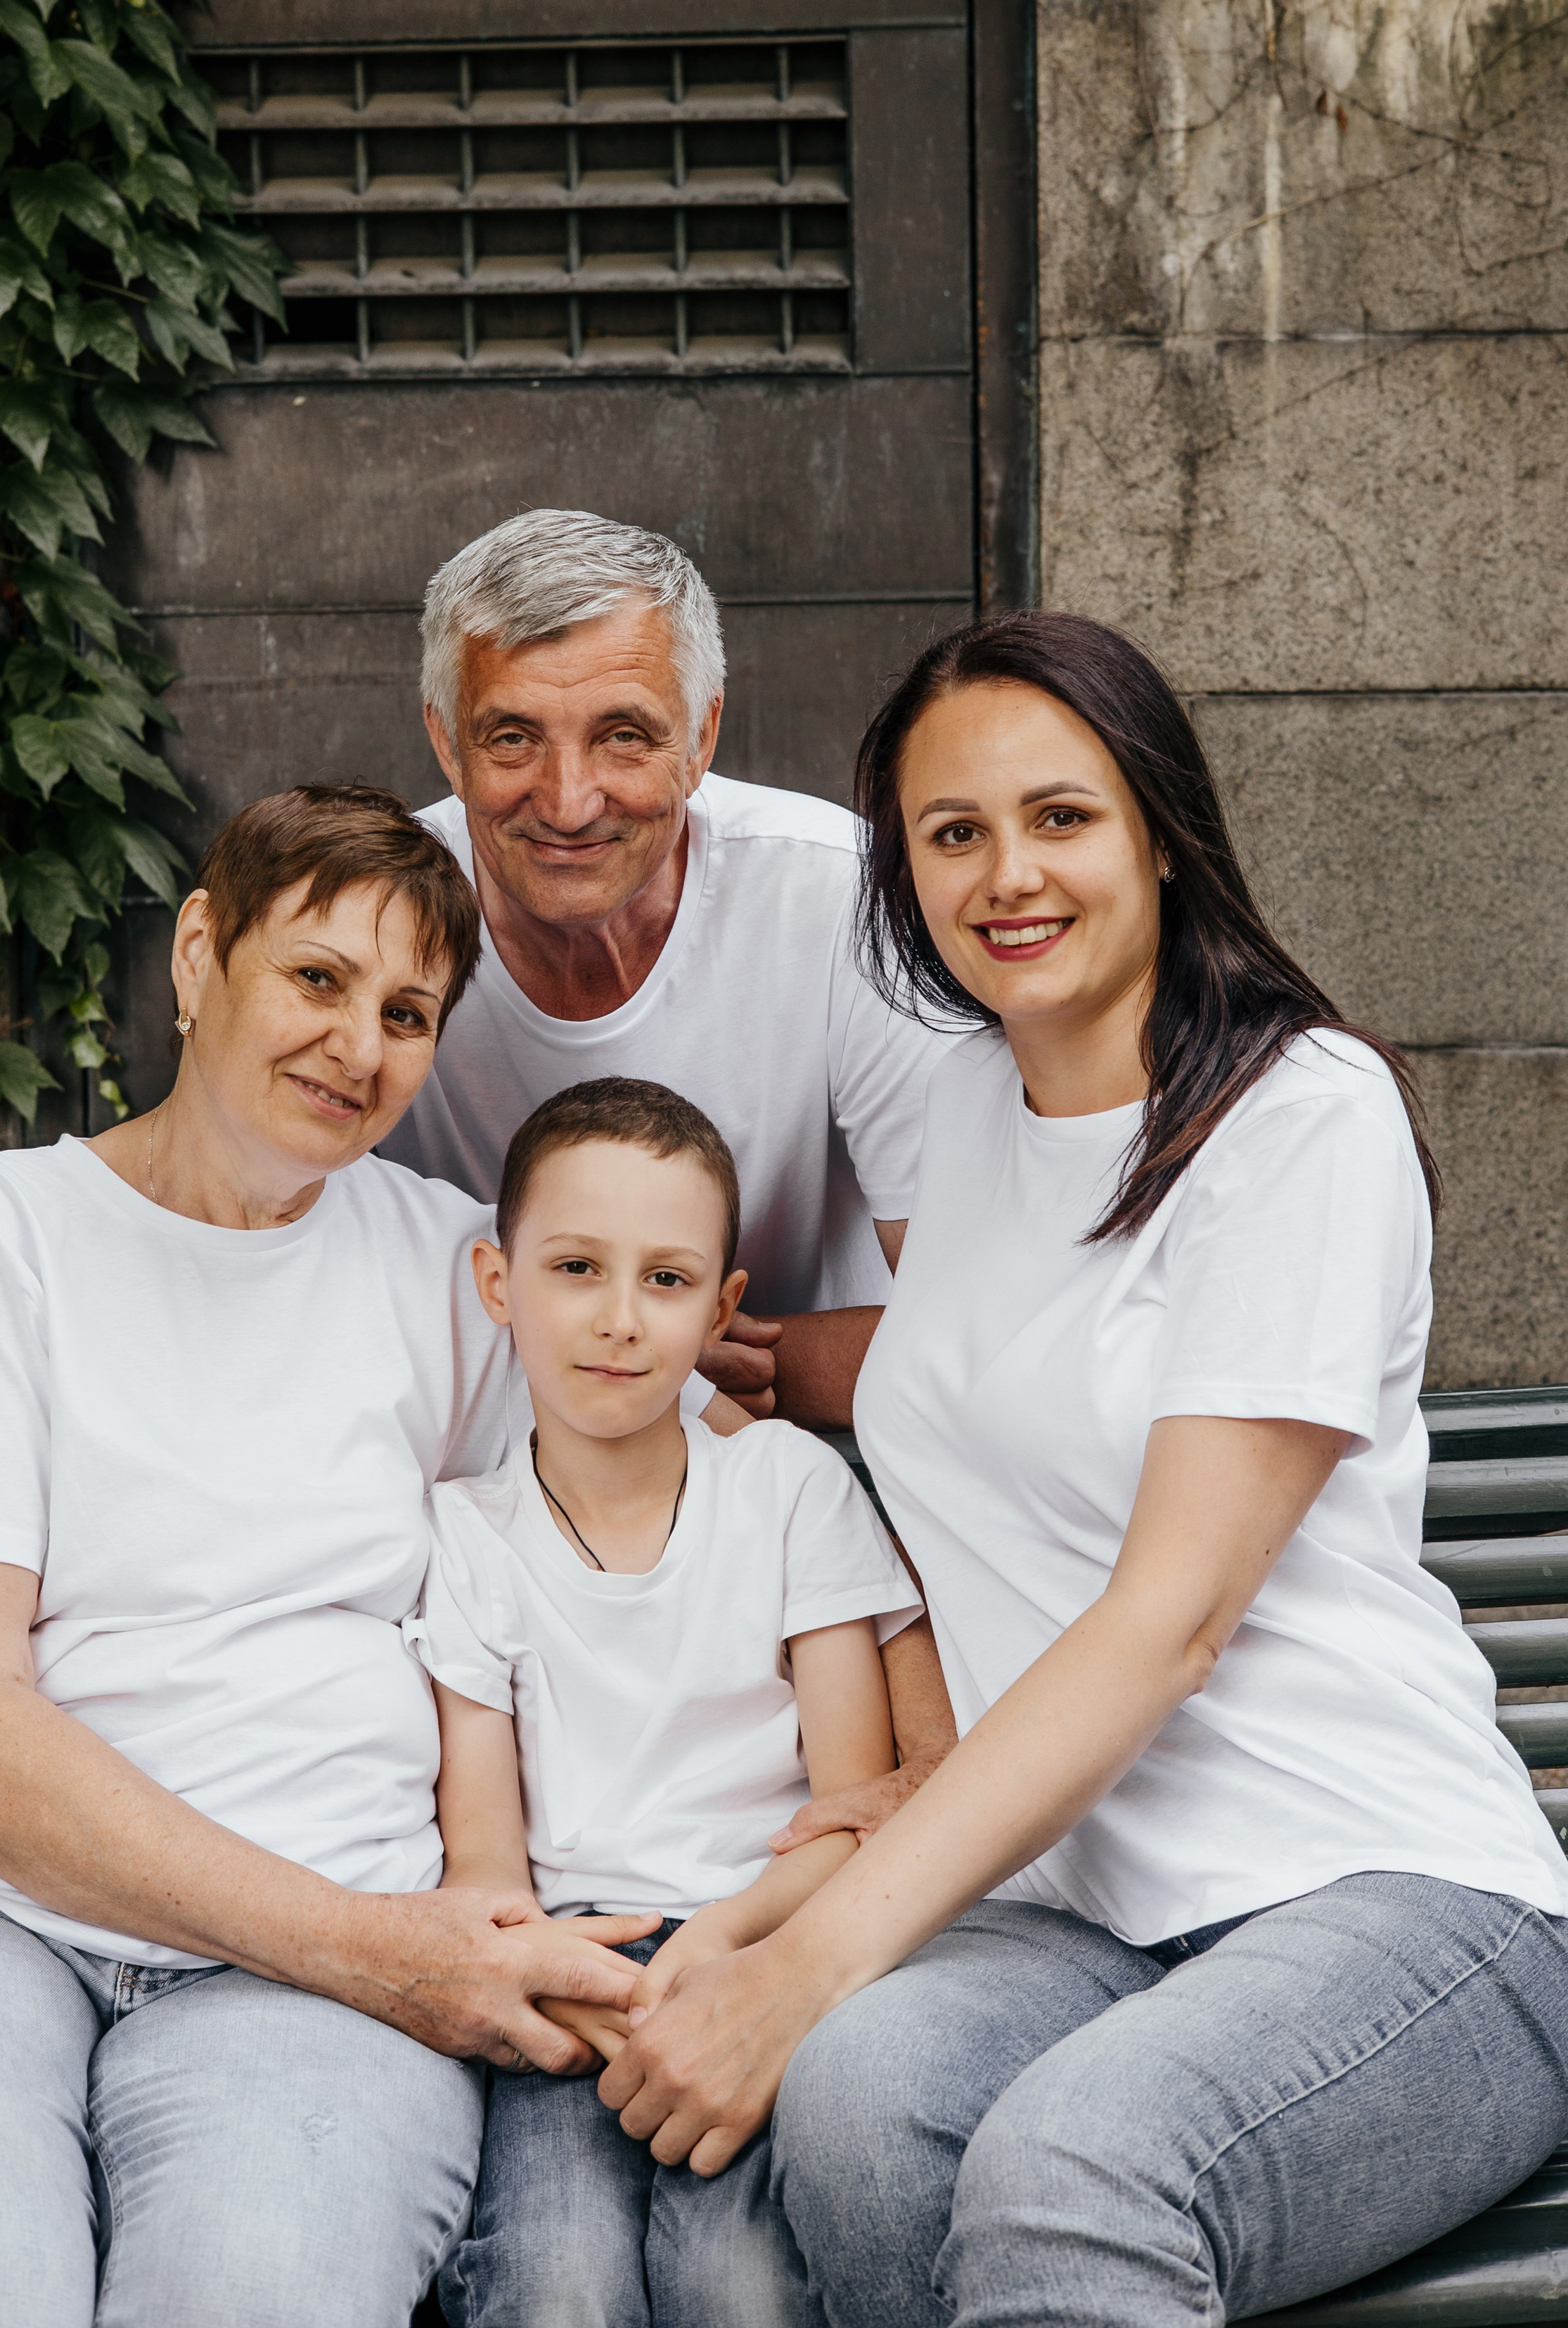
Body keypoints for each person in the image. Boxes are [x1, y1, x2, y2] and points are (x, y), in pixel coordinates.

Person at [597, 613, 1568, 2327]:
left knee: (1076, 2169)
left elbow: (1164, 1619)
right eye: (949, 833)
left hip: (1383, 1887)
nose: (1004, 875)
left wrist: (812, 1954)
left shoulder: (1295, 1116)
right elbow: (965, 1369)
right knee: (864, 2108)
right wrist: (734, 1358)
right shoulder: (964, 1114)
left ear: (1158, 832)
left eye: (1060, 817)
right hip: (1079, 1906)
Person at [0, 786, 659, 2328]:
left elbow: (718, 1470)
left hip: (306, 1979)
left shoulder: (461, 1271)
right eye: (316, 979)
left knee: (252, 2292)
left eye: (406, 1012)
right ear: (198, 957)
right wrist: (384, 1954)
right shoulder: (8, 1235)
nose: (358, 1046)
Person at [409, 1077, 925, 2328]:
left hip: (763, 1956)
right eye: (577, 1268)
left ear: (722, 1307)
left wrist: (723, 1944)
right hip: (568, 1984)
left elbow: (856, 1812)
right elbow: (484, 1865)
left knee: (738, 2291)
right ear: (499, 1283)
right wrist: (586, 1983)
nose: (619, 1320)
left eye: (667, 1280)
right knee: (553, 2291)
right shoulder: (471, 1534)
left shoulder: (788, 1492)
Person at [378, 507, 956, 1431]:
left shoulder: (836, 893)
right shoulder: (375, 915)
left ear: (701, 737)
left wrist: (673, 1369)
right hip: (480, 1458)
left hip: (816, 1442)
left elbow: (982, 1327)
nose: (569, 803)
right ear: (447, 743)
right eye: (513, 738)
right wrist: (658, 1369)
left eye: (625, 737)